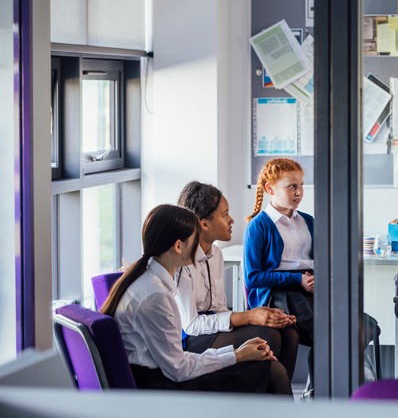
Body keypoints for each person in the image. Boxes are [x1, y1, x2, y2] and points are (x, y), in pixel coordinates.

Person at [101, 204, 291, 394]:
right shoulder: (156, 296)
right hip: (159, 386)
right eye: (195, 240)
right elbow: (179, 369)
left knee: (267, 370)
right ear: (178, 246)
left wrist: (234, 353)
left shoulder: (147, 278)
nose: (199, 248)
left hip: (160, 375)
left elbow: (176, 361)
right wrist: (237, 356)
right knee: (274, 373)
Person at [176, 181, 299, 379]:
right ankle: (262, 397)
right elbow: (191, 325)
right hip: (190, 339)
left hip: (212, 330)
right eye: (225, 215)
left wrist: (263, 315)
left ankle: (275, 396)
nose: (231, 220)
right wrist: (249, 317)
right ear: (204, 223)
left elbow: (220, 309)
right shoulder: (181, 262)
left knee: (288, 333)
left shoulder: (216, 254)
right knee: (268, 336)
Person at [244, 158, 314, 390]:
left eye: (301, 185)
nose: (299, 192)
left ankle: (319, 389)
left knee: (358, 323)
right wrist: (297, 279)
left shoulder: (308, 221)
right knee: (327, 330)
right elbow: (253, 277)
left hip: (308, 288)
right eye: (291, 186)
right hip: (279, 293)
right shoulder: (259, 226)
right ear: (270, 189)